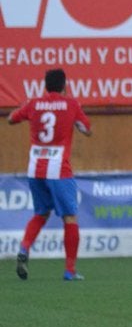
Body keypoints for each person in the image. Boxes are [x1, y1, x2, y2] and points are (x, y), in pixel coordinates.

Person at [8, 67, 92, 281]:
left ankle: (24, 248)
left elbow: (11, 119)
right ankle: (69, 271)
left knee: (40, 213)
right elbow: (86, 128)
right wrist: (75, 123)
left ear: (45, 85)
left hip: (35, 168)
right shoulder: (71, 104)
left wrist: (24, 111)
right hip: (59, 169)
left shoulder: (34, 104)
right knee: (70, 217)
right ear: (64, 85)